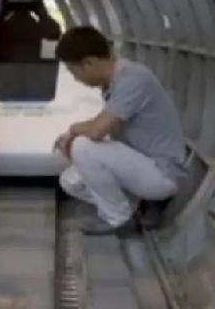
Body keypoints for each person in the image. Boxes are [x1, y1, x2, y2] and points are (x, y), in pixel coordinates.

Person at [53, 26, 189, 236]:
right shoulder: (114, 83)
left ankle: (119, 219)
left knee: (83, 146)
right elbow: (107, 127)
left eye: (74, 72)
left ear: (88, 63)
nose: (76, 79)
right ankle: (135, 206)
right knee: (70, 182)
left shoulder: (133, 78)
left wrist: (72, 132)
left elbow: (97, 130)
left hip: (163, 172)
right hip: (143, 166)